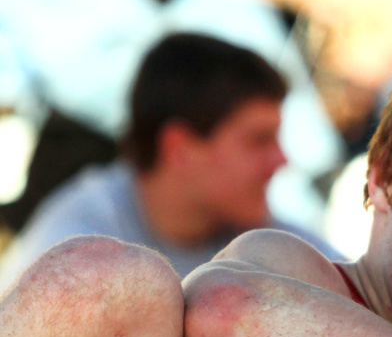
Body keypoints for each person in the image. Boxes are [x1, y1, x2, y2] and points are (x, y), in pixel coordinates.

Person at [0, 32, 336, 288]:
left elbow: (353, 284)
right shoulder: (70, 255)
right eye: (259, 141)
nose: (282, 161)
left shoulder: (259, 233)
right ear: (180, 149)